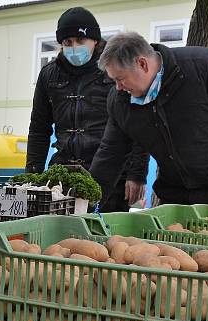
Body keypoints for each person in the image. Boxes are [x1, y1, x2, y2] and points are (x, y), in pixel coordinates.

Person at [89, 32, 208, 208]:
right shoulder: (120, 101)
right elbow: (110, 154)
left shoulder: (203, 66)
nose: (118, 87)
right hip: (180, 196)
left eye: (120, 79)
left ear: (142, 64)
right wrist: (88, 204)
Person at [26, 7, 147, 211]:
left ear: (95, 42)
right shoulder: (48, 75)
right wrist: (32, 174)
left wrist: (137, 173)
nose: (74, 47)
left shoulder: (114, 71)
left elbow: (136, 123)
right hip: (63, 174)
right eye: (67, 43)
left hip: (113, 174)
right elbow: (39, 129)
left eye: (80, 41)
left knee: (110, 238)